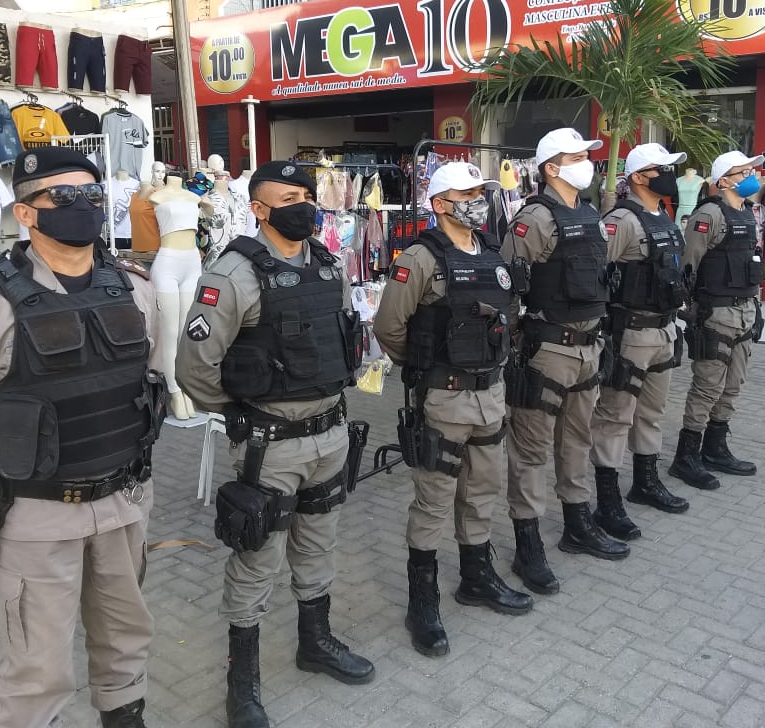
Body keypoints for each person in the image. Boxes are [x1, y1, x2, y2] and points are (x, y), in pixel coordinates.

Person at [0, 145, 164, 728]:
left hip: (124, 504)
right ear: (26, 215)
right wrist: (14, 464)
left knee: (126, 639)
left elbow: (148, 379)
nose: (85, 207)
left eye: (93, 196)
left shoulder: (135, 290)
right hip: (35, 515)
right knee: (37, 667)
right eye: (66, 197)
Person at [174, 160, 372, 728]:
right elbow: (194, 368)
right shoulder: (233, 273)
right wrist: (239, 412)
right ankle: (244, 684)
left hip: (331, 433)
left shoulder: (327, 265)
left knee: (318, 547)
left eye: (307, 194)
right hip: (271, 444)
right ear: (259, 208)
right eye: (289, 196)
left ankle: (316, 643)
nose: (304, 203)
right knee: (257, 560)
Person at [373, 161, 532, 659]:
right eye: (467, 193)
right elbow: (388, 327)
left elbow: (505, 317)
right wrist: (425, 366)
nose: (477, 200)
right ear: (440, 203)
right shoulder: (419, 258)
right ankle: (422, 601)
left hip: (491, 395)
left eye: (480, 192)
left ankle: (477, 578)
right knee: (433, 500)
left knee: (482, 490)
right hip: (443, 399)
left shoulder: (491, 251)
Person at [501, 128, 627, 597]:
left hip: (589, 347)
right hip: (547, 350)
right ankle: (526, 542)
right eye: (577, 157)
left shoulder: (591, 213)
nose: (586, 163)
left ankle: (577, 522)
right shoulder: (534, 218)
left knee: (576, 439)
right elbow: (508, 288)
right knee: (531, 449)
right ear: (552, 167)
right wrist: (517, 345)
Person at [589, 143, 698, 543]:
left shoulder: (665, 217)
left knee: (651, 413)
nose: (668, 174)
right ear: (638, 177)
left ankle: (645, 482)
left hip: (664, 330)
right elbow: (596, 274)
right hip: (630, 333)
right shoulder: (622, 220)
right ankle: (607, 500)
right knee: (615, 416)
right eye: (661, 168)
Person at [677, 150, 763, 486]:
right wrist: (693, 311)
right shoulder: (709, 215)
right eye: (743, 173)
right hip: (716, 313)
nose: (750, 177)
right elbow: (688, 266)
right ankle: (686, 457)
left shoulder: (746, 213)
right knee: (707, 387)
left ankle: (715, 448)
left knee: (733, 384)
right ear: (724, 180)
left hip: (743, 310)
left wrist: (756, 309)